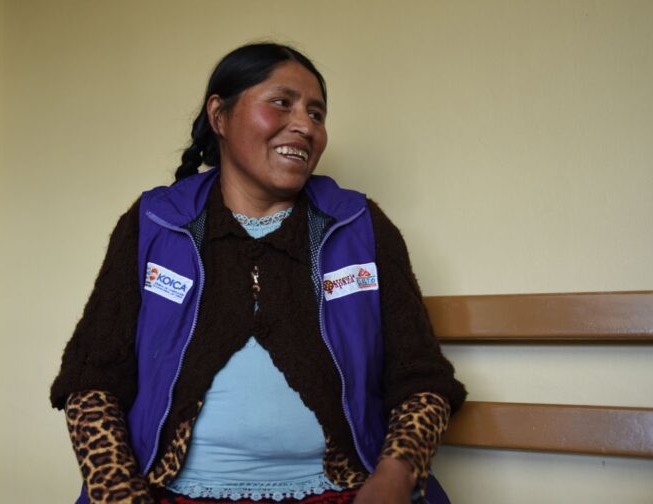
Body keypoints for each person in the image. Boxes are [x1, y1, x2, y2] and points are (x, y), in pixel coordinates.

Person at [51, 42, 466, 504]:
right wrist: (118, 492)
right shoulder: (155, 224)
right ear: (219, 116)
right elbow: (92, 381)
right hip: (167, 492)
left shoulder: (360, 227)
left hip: (343, 490)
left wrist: (395, 475)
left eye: (317, 113)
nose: (305, 125)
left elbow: (421, 379)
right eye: (281, 103)